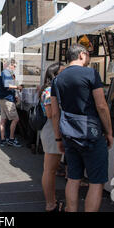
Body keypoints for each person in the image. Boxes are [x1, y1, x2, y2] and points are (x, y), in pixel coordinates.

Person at [51, 44, 114, 212]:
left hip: (69, 135)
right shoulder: (91, 73)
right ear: (81, 55)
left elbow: (55, 113)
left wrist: (58, 138)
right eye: (88, 55)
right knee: (96, 181)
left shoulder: (57, 79)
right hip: (91, 134)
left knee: (73, 178)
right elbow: (101, 105)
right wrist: (109, 132)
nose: (88, 59)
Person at [40, 62, 65, 212]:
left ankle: (52, 201)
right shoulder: (49, 91)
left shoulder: (49, 89)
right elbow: (51, 114)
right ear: (54, 75)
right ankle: (50, 203)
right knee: (49, 169)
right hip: (51, 129)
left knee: (50, 169)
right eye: (62, 72)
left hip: (51, 129)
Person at [0, 59, 23, 147]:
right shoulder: (6, 72)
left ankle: (3, 140)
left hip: (3, 99)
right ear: (11, 65)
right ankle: (11, 139)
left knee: (3, 120)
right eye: (14, 66)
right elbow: (7, 85)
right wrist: (17, 87)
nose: (15, 68)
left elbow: (6, 86)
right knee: (15, 119)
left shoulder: (5, 72)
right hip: (7, 99)